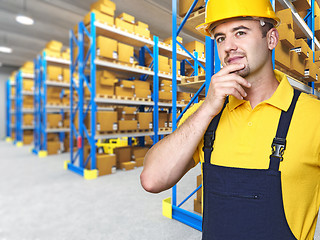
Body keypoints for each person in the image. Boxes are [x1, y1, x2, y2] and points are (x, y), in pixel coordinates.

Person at [140, 0, 320, 239]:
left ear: (271, 39)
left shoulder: (312, 115)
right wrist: (206, 109)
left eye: (241, 32)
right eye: (221, 38)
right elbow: (152, 180)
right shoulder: (207, 116)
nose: (229, 47)